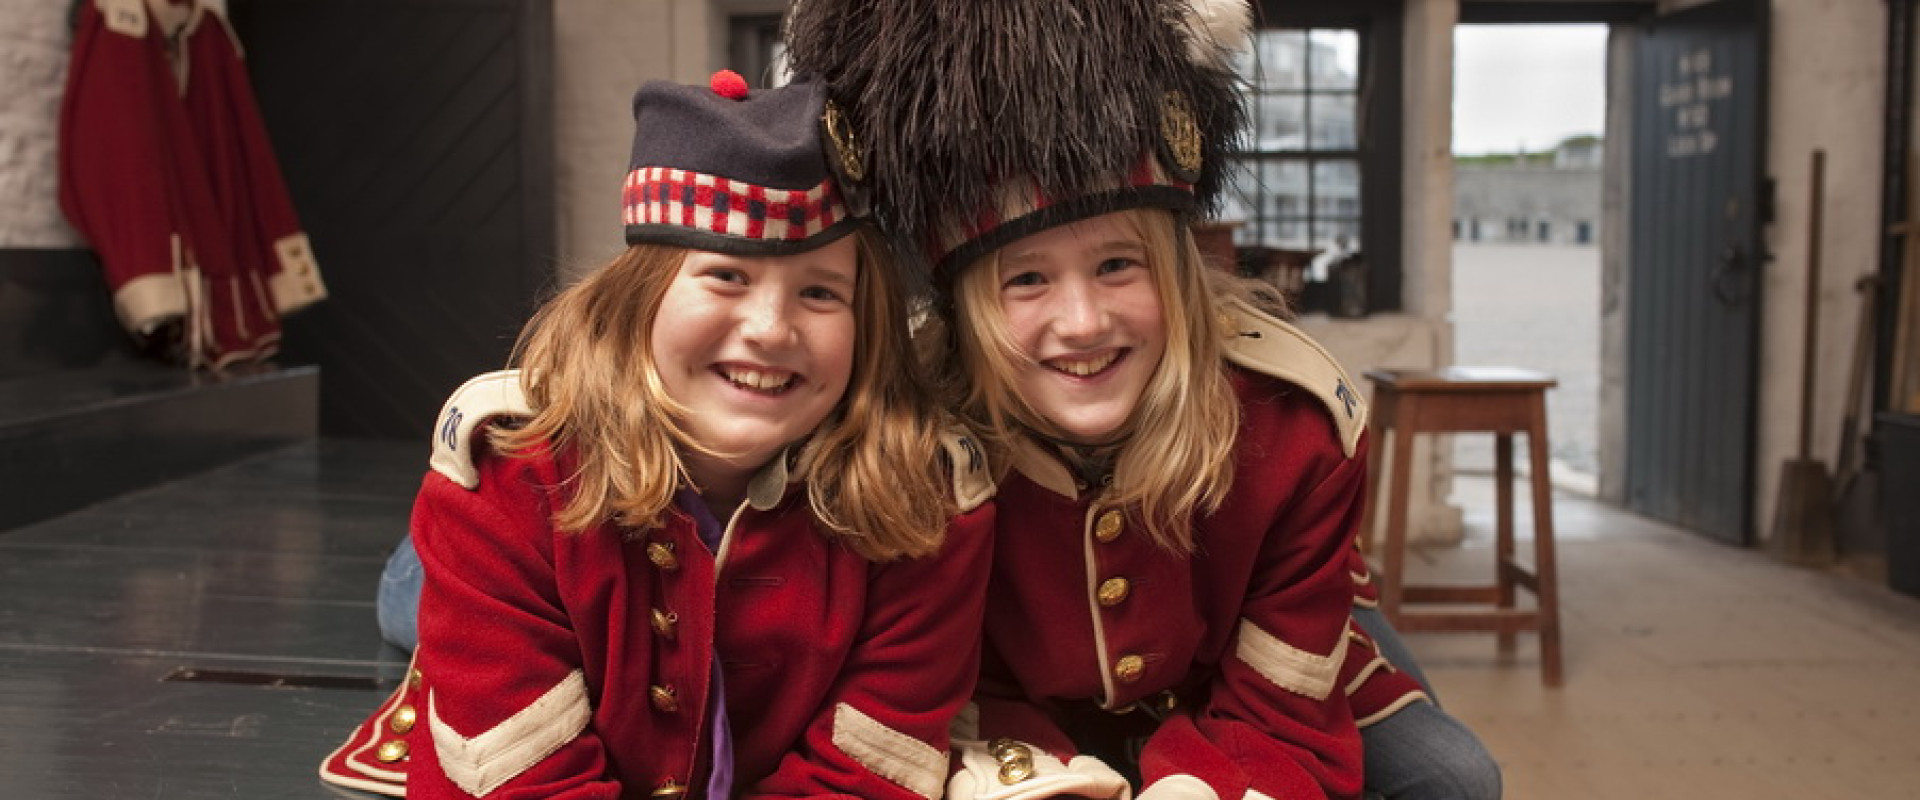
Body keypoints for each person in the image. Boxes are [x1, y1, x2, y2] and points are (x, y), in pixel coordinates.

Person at [783, 1, 1500, 798]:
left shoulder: (1293, 427)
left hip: (1245, 660)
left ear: (1177, 272)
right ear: (967, 310)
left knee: (1453, 779)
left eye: (1119, 266)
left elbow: (1279, 712)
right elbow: (947, 690)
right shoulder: (914, 444)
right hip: (1021, 711)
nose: (1083, 323)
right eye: (1026, 278)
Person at [318, 71, 997, 799]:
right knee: (408, 601)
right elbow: (523, 783)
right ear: (639, 300)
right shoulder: (507, 480)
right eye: (726, 277)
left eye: (820, 291)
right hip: (482, 560)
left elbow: (865, 776)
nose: (770, 330)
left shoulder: (932, 504)